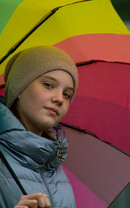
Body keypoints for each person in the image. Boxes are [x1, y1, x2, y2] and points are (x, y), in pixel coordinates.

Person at [0, 46, 78, 208]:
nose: (59, 99)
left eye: (67, 94)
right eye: (49, 85)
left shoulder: (54, 165)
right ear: (19, 88)